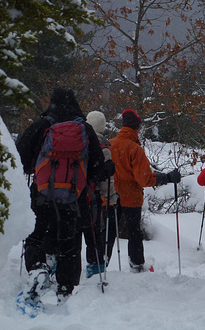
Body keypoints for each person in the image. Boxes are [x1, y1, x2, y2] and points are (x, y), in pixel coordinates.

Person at [16, 88, 111, 301]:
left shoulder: (41, 127)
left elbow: (18, 158)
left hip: (41, 195)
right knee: (69, 243)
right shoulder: (84, 130)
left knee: (36, 235)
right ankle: (66, 289)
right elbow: (96, 170)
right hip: (74, 199)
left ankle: (38, 270)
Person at [109, 109, 181, 272]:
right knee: (134, 231)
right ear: (137, 127)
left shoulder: (110, 144)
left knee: (108, 230)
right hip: (131, 197)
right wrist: (167, 177)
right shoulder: (134, 149)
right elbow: (145, 179)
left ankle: (100, 264)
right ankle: (136, 264)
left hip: (112, 195)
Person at [83, 110, 118, 278]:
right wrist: (111, 199)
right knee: (97, 237)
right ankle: (95, 270)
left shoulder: (80, 141)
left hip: (76, 196)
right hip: (96, 199)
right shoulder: (103, 148)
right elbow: (106, 182)